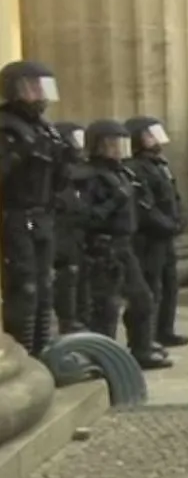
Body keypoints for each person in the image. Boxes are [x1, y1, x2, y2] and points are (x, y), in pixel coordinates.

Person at [83, 119, 172, 369]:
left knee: (142, 299)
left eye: (119, 144)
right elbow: (87, 217)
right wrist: (114, 200)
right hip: (103, 247)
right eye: (110, 144)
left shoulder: (123, 172)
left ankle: (141, 348)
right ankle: (103, 358)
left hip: (124, 245)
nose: (116, 149)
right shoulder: (90, 176)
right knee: (106, 308)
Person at [0, 60, 66, 356]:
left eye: (42, 88)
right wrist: (18, 154)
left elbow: (57, 181)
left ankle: (42, 351)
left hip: (43, 215)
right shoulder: (5, 125)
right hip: (16, 215)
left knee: (45, 286)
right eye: (32, 88)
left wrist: (65, 160)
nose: (40, 95)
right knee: (24, 288)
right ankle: (22, 353)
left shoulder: (45, 128)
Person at [125, 116, 188, 348]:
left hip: (165, 236)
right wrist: (167, 225)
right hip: (148, 237)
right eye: (149, 135)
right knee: (151, 285)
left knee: (169, 283)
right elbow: (144, 206)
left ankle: (165, 330)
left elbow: (173, 196)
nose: (154, 139)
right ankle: (147, 336)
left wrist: (180, 219)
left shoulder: (159, 163)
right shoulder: (135, 167)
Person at [52, 121, 90, 334]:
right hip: (61, 231)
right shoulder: (59, 171)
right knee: (68, 276)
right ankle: (68, 319)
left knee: (81, 276)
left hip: (78, 230)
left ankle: (81, 315)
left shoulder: (81, 168)